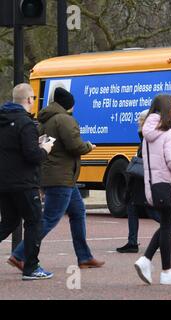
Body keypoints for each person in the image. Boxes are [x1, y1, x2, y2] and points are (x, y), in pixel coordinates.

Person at [10, 87, 105, 270]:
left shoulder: (44, 119)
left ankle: (84, 257)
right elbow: (75, 146)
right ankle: (19, 254)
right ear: (69, 104)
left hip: (56, 175)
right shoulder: (64, 120)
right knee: (50, 218)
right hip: (61, 177)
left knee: (78, 213)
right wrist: (88, 146)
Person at [134, 94, 171, 285]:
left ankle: (146, 260)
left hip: (152, 184)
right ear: (168, 108)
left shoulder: (148, 134)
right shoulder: (169, 133)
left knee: (166, 222)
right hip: (167, 183)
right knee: (167, 225)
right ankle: (166, 271)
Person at [0, 83, 54, 280]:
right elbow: (32, 155)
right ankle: (31, 267)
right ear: (30, 100)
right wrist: (45, 149)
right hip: (23, 182)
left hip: (4, 182)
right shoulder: (26, 123)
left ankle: (30, 266)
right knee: (34, 222)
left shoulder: (3, 120)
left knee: (8, 222)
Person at [116, 110, 171, 254]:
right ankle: (132, 242)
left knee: (152, 211)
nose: (138, 121)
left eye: (141, 119)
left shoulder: (151, 135)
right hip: (140, 179)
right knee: (132, 206)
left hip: (147, 178)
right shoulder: (146, 135)